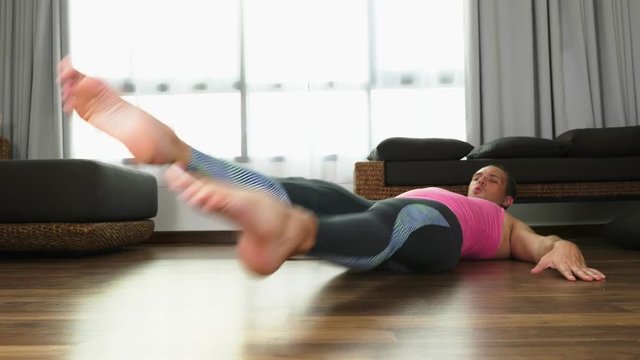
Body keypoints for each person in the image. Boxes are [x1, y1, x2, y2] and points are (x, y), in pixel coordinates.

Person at [58, 58, 605, 282]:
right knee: (312, 189)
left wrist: (559, 247)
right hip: (383, 211)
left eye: (493, 181)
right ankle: (180, 152)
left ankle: (295, 231)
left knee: (401, 218)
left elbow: (546, 242)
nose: (481, 180)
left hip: (435, 234)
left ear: (507, 201)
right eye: (477, 175)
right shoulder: (445, 185)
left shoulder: (507, 226)